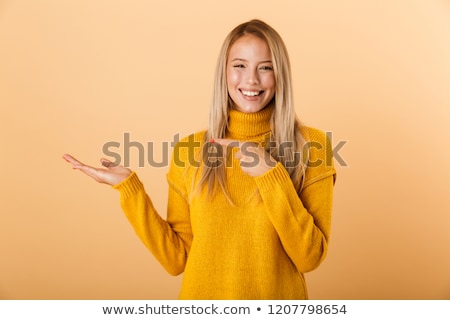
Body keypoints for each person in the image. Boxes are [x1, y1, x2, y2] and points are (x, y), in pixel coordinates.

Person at [63, 19, 336, 299]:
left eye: (265, 67)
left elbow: (309, 258)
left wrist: (271, 176)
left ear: (280, 75)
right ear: (224, 72)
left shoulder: (311, 146)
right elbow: (176, 259)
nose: (251, 79)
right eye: (239, 65)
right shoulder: (189, 150)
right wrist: (130, 189)